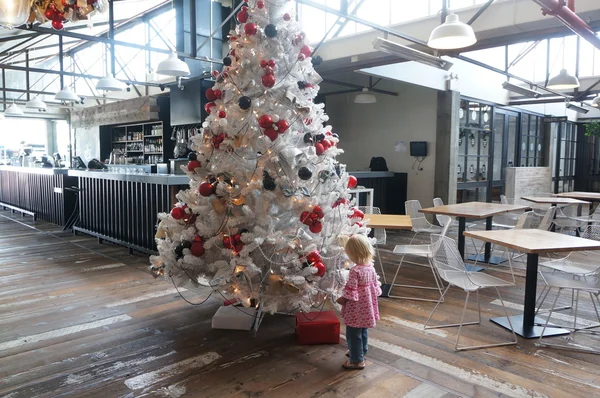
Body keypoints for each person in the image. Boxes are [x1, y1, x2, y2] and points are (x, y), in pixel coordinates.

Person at [336, 234, 381, 370]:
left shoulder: (355, 271)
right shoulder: (370, 268)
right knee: (362, 331)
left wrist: (342, 299)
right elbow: (375, 287)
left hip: (356, 309)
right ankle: (360, 352)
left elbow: (351, 290)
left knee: (353, 333)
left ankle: (356, 360)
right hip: (367, 307)